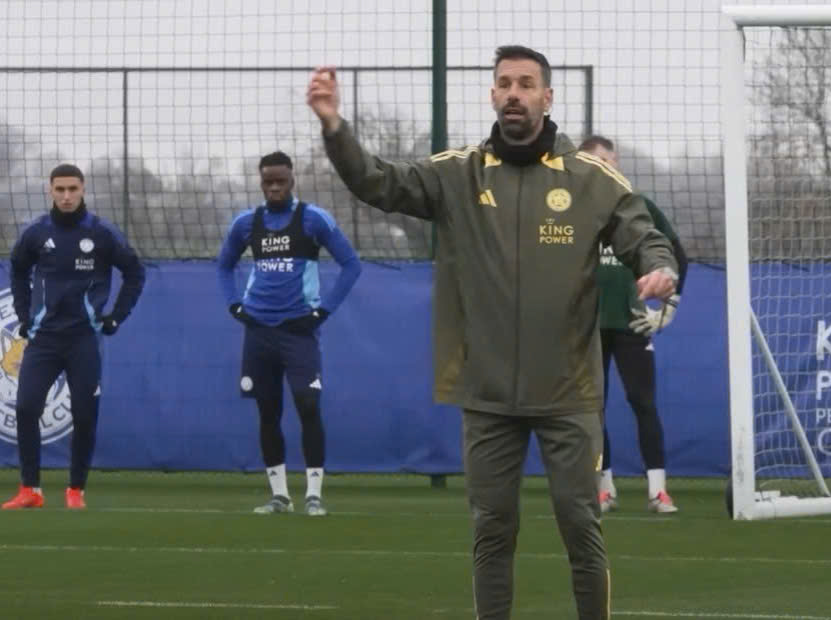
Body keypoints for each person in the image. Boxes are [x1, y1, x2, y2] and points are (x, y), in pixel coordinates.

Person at [307, 46, 679, 619]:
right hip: (486, 394)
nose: (513, 93)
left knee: (581, 527)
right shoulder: (458, 174)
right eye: (504, 83)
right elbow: (377, 182)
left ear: (547, 97)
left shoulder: (590, 178)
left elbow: (641, 231)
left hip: (568, 392)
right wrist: (335, 127)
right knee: (491, 532)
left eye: (526, 84)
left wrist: (658, 267)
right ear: (492, 94)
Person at [217, 151, 361, 517]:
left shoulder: (313, 220)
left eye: (281, 180)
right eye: (269, 181)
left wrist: (322, 311)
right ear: (261, 181)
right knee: (268, 411)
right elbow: (224, 265)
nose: (275, 187)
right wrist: (234, 304)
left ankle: (314, 493)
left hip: (298, 331)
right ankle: (280, 495)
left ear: (292, 179)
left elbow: (351, 264)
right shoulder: (247, 223)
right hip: (258, 330)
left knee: (308, 404)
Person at [2, 164, 146, 510]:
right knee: (25, 408)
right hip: (44, 341)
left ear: (83, 190)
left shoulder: (101, 233)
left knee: (84, 414)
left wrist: (116, 316)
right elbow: (18, 270)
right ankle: (30, 490)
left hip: (83, 340)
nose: (67, 196)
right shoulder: (36, 232)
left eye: (73, 189)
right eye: (60, 189)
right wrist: (25, 316)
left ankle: (75, 490)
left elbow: (134, 272)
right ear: (50, 190)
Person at [580, 136, 689, 515]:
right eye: (596, 162)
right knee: (593, 409)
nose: (605, 167)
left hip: (632, 324)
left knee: (643, 403)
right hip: (587, 328)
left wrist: (668, 307)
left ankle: (658, 491)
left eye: (610, 160)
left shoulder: (638, 206)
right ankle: (604, 488)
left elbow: (678, 255)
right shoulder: (571, 211)